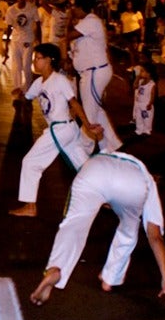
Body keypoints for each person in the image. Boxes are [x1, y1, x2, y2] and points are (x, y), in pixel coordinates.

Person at [29, 151, 165, 306]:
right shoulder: (148, 183)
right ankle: (109, 279)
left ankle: (55, 269)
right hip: (133, 184)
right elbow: (155, 237)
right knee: (128, 233)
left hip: (95, 168)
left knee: (74, 223)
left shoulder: (118, 157)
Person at [8, 43, 103, 218]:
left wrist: (88, 125)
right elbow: (27, 98)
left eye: (39, 58)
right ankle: (106, 197)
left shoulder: (59, 80)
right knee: (83, 165)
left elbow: (74, 103)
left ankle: (30, 206)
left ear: (49, 60)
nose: (35, 62)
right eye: (35, 58)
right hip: (66, 130)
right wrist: (18, 94)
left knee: (30, 162)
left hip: (60, 129)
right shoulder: (39, 83)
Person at [67, 0, 123, 154]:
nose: (72, 10)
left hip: (94, 72)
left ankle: (83, 149)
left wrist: (69, 19)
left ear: (81, 7)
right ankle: (111, 145)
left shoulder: (91, 21)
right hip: (90, 72)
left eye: (74, 7)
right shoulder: (86, 22)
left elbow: (68, 35)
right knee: (96, 110)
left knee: (89, 113)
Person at [4, 0, 41, 94]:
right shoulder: (11, 10)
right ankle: (17, 87)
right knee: (16, 65)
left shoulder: (32, 8)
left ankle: (28, 88)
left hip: (28, 39)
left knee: (26, 65)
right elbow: (9, 27)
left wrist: (39, 40)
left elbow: (38, 24)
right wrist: (6, 44)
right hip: (16, 40)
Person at [132, 61, 157, 136]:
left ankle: (147, 130)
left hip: (146, 104)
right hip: (139, 103)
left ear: (148, 73)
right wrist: (137, 78)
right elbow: (134, 86)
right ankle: (139, 129)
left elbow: (152, 95)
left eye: (142, 71)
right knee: (139, 117)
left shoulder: (151, 84)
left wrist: (150, 103)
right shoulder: (141, 81)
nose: (140, 73)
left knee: (146, 118)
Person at [120, 0, 144, 71]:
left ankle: (136, 65)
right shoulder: (123, 14)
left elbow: (141, 25)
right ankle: (134, 65)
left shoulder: (137, 13)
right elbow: (122, 25)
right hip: (126, 33)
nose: (129, 5)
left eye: (130, 4)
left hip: (135, 32)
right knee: (131, 51)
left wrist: (142, 35)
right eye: (127, 4)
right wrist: (121, 34)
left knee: (134, 50)